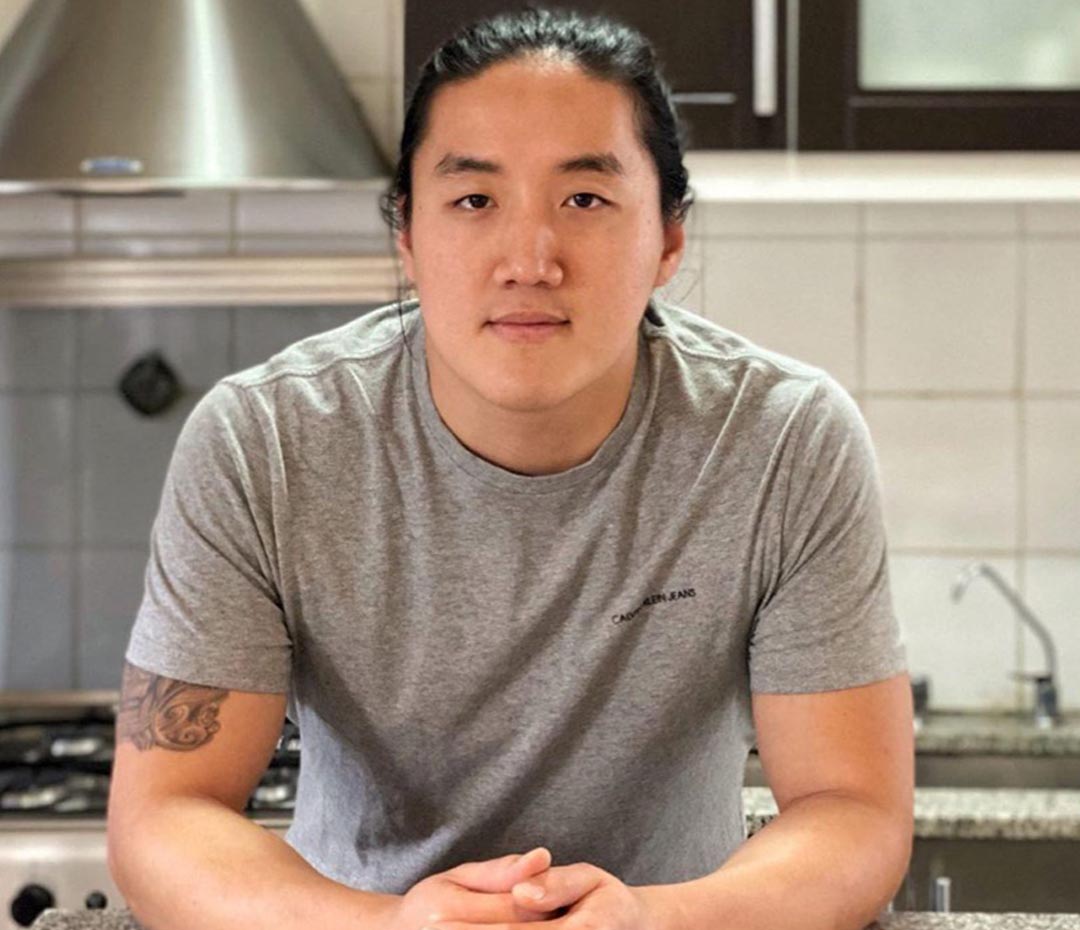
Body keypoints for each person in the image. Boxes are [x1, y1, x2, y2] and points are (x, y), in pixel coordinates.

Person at [106, 5, 914, 930]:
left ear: (669, 238)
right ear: (407, 235)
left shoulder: (783, 440)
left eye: (585, 200)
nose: (529, 261)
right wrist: (387, 927)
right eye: (475, 200)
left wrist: (653, 920)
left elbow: (852, 810)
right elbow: (165, 816)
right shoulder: (264, 443)